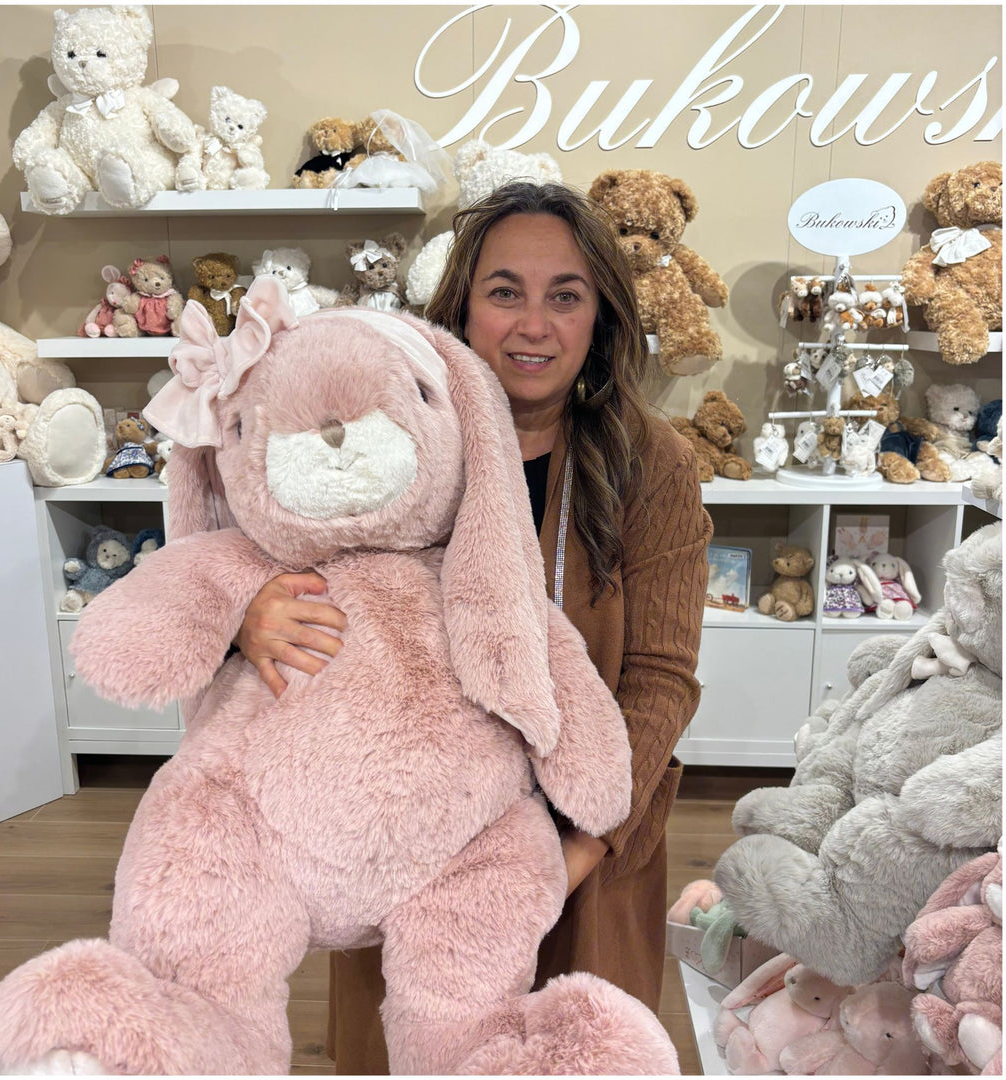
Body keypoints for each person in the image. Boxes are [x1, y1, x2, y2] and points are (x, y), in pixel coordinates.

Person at [235, 181, 712, 1073]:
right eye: (505, 292)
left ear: (600, 315)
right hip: (406, 833)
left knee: (570, 1049)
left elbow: (659, 678)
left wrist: (569, 858)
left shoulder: (652, 463)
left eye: (564, 295)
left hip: (581, 841)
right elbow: (260, 550)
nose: (534, 324)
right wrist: (244, 617)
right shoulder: (387, 438)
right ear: (461, 306)